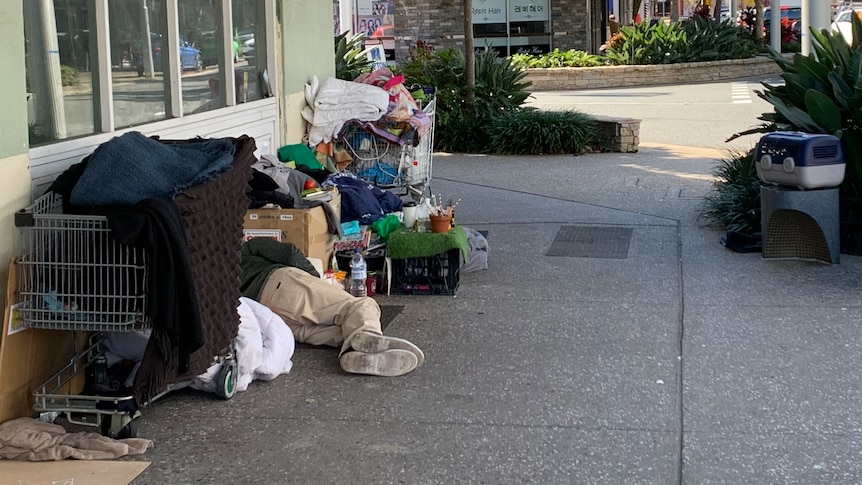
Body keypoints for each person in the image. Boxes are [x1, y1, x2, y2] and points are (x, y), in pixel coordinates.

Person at [239, 237, 424, 376]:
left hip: (263, 316)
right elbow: (289, 253)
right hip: (279, 285)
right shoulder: (246, 247)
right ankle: (370, 334)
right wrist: (314, 279)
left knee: (339, 331)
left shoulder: (214, 275)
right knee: (358, 306)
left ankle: (355, 353)